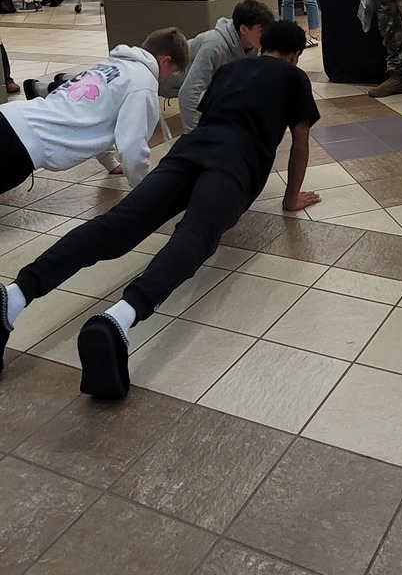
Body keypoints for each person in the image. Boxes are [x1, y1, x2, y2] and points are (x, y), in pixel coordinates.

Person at [0, 21, 321, 399]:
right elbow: (300, 142)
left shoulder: (230, 69)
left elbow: (201, 114)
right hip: (235, 162)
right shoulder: (294, 78)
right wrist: (290, 198)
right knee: (195, 235)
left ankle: (16, 295)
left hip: (188, 149)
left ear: (261, 43)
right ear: (296, 55)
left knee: (116, 226)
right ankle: (118, 319)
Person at [0, 27, 188, 197]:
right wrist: (144, 190)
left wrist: (111, 163)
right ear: (165, 60)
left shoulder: (112, 65)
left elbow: (99, 118)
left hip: (10, 116)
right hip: (21, 144)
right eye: (173, 71)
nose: (170, 77)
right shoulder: (143, 85)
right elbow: (133, 145)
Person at [158, 0, 274, 131]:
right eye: (262, 31)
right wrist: (194, 137)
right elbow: (188, 94)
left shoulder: (252, 47)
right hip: (164, 78)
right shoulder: (214, 46)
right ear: (244, 29)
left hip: (198, 83)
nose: (267, 36)